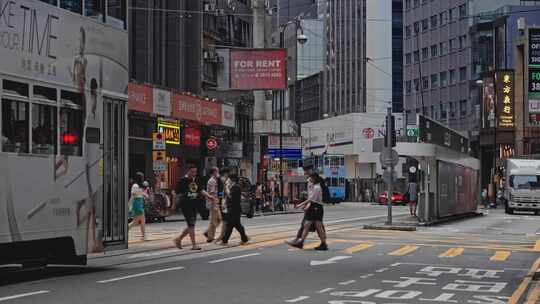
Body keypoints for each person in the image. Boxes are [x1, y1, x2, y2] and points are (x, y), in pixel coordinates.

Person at [174, 164, 214, 250]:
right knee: (191, 224)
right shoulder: (182, 180)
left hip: (195, 204)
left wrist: (209, 196)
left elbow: (201, 190)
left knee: (191, 225)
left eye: (195, 172)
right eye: (192, 172)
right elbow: (176, 193)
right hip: (185, 204)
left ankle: (178, 239)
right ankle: (194, 245)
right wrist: (174, 205)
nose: (194, 173)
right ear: (187, 171)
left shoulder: (196, 180)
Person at [287, 172, 327, 250]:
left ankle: (323, 243)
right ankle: (301, 242)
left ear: (314, 179)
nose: (309, 179)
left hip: (317, 207)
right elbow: (310, 198)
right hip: (314, 207)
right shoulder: (313, 186)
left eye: (311, 178)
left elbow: (311, 199)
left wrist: (300, 204)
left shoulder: (317, 188)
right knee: (307, 224)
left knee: (318, 226)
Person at [220, 174, 249, 245]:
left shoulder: (236, 187)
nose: (228, 181)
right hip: (233, 209)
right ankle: (244, 238)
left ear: (232, 180)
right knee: (235, 225)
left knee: (232, 225)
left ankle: (225, 240)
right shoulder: (234, 187)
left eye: (229, 179)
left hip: (234, 209)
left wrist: (226, 189)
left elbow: (230, 197)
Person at [129, 173, 148, 241]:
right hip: (137, 204)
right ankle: (143, 236)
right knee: (142, 220)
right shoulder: (136, 185)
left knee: (135, 221)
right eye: (142, 177)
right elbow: (133, 196)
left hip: (139, 203)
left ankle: (126, 230)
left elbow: (140, 195)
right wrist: (129, 206)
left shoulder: (139, 186)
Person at [204, 167, 221, 242]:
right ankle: (210, 237)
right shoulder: (212, 181)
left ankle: (208, 232)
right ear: (214, 172)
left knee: (218, 219)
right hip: (213, 202)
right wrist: (215, 203)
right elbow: (212, 193)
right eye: (217, 171)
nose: (218, 173)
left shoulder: (214, 180)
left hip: (214, 202)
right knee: (214, 220)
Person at [215, 168, 231, 243]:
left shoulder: (228, 182)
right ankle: (222, 236)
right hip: (224, 204)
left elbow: (229, 194)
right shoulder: (223, 182)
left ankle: (223, 236)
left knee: (228, 221)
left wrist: (225, 188)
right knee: (225, 221)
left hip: (228, 204)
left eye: (222, 176)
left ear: (226, 174)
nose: (221, 178)